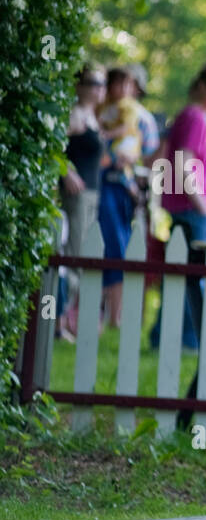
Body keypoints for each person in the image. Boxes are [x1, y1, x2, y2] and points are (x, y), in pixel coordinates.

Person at [149, 62, 206, 349]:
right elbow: (182, 164)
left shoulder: (191, 116)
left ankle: (165, 338)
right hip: (191, 210)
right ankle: (185, 340)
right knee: (191, 279)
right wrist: (201, 205)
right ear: (201, 85)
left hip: (186, 208)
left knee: (180, 275)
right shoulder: (194, 117)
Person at [96, 67, 150, 327]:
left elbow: (146, 151)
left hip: (119, 185)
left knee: (118, 246)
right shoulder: (101, 108)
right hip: (101, 182)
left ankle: (116, 315)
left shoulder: (134, 113)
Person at [59, 65, 106, 338]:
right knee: (73, 256)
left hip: (92, 194)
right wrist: (67, 172)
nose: (99, 88)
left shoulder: (93, 116)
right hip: (77, 196)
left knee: (85, 256)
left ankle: (69, 318)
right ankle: (58, 319)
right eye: (93, 83)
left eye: (102, 83)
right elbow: (53, 145)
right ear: (79, 86)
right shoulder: (75, 115)